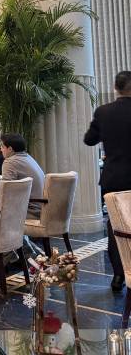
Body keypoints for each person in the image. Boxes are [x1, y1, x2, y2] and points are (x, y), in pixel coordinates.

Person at [84, 70, 131, 292]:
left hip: (114, 178)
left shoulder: (103, 112)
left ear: (115, 88)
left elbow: (89, 139)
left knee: (116, 226)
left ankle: (119, 275)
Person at [1, 133, 45, 218]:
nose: (0, 150)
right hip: (42, 208)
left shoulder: (10, 162)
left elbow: (6, 193)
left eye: (2, 147)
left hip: (30, 211)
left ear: (10, 149)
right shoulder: (28, 157)